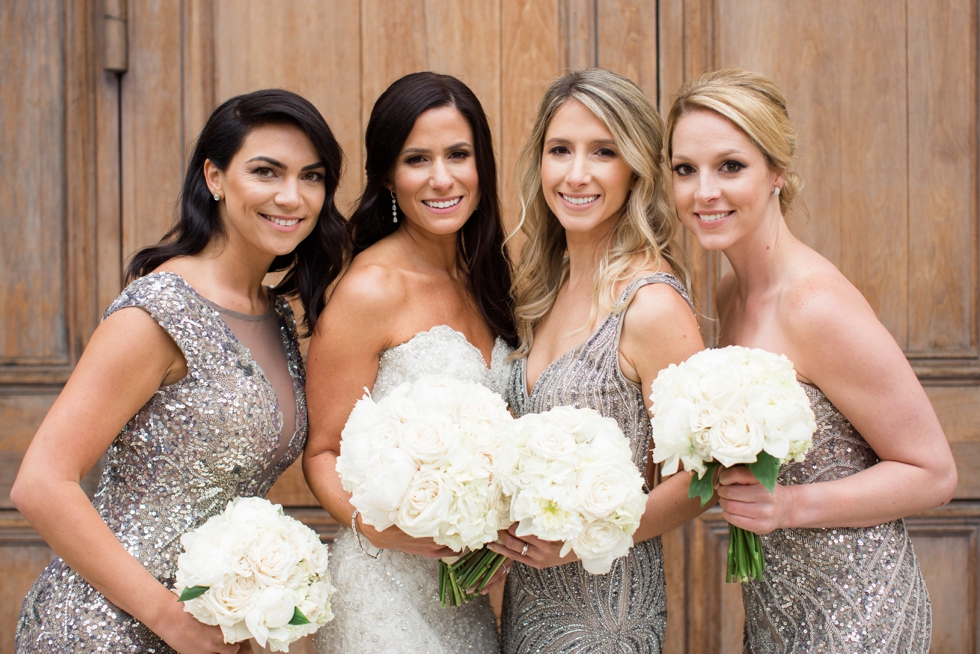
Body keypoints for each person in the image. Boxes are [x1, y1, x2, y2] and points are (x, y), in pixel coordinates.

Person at [11, 89, 350, 654]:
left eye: (311, 177)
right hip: (105, 627)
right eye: (266, 171)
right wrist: (168, 618)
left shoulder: (278, 317)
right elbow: (41, 484)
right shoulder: (158, 311)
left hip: (206, 634)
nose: (291, 197)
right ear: (214, 177)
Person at [665, 68, 958, 652]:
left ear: (776, 172)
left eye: (730, 166)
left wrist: (792, 503)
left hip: (859, 611)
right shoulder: (728, 296)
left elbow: (934, 473)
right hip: (778, 605)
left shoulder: (815, 306)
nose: (704, 191)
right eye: (684, 169)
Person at [486, 68, 706, 653]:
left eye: (603, 152)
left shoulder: (650, 305)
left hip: (607, 618)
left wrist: (589, 536)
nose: (576, 174)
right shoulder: (540, 288)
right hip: (528, 609)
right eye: (561, 150)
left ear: (634, 168)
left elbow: (702, 478)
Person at [303, 72, 514, 654]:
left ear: (482, 166)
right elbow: (322, 451)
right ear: (389, 177)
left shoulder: (487, 279)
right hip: (383, 595)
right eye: (417, 159)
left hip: (466, 600)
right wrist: (383, 529)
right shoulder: (371, 289)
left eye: (458, 155)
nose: (442, 178)